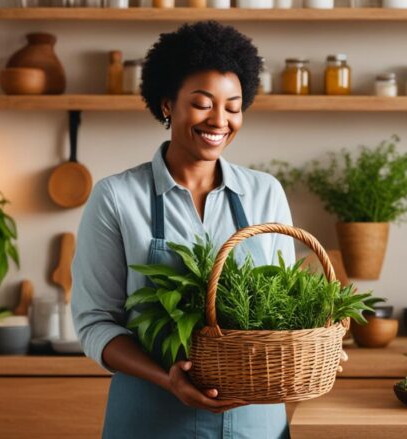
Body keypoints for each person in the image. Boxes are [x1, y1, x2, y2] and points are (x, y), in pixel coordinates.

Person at [72, 21, 294, 439]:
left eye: (233, 106)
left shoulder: (265, 192)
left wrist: (314, 343)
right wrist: (166, 378)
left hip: (255, 420)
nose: (220, 120)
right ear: (167, 103)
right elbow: (95, 323)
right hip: (151, 416)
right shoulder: (117, 197)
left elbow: (282, 310)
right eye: (203, 103)